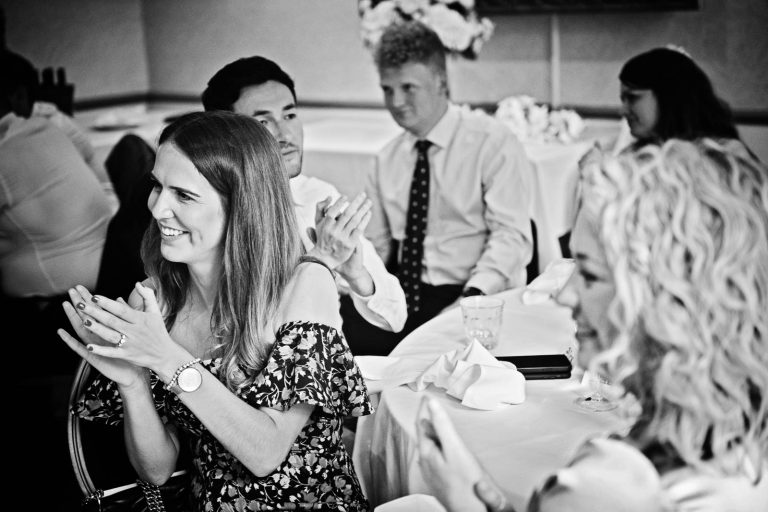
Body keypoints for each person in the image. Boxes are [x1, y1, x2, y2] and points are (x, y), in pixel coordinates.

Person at [416, 138, 768, 511]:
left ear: (665, 302)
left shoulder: (609, 487)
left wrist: (461, 502)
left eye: (590, 274)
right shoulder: (742, 432)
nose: (564, 295)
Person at [58, 111, 373, 511]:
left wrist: (165, 357)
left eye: (184, 195)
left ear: (242, 204)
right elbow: (155, 472)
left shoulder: (304, 284)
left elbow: (265, 453)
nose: (157, 210)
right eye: (157, 187)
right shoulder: (158, 302)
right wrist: (132, 382)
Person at [201, 56, 407, 356]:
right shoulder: (211, 217)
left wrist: (355, 273)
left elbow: (395, 317)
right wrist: (319, 260)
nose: (285, 136)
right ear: (226, 140)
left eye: (289, 115)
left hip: (322, 368)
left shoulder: (316, 197)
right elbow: (251, 341)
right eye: (262, 122)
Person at [365, 20, 533, 350]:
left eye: (408, 87)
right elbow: (377, 249)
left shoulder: (492, 142)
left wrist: (471, 299)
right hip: (403, 295)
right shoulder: (386, 159)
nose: (396, 102)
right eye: (387, 89)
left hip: (470, 291)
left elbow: (511, 237)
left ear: (441, 82)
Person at [617, 46, 753, 157]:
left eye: (632, 98)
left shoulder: (727, 157)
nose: (622, 110)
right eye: (623, 100)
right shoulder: (634, 155)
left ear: (669, 96)